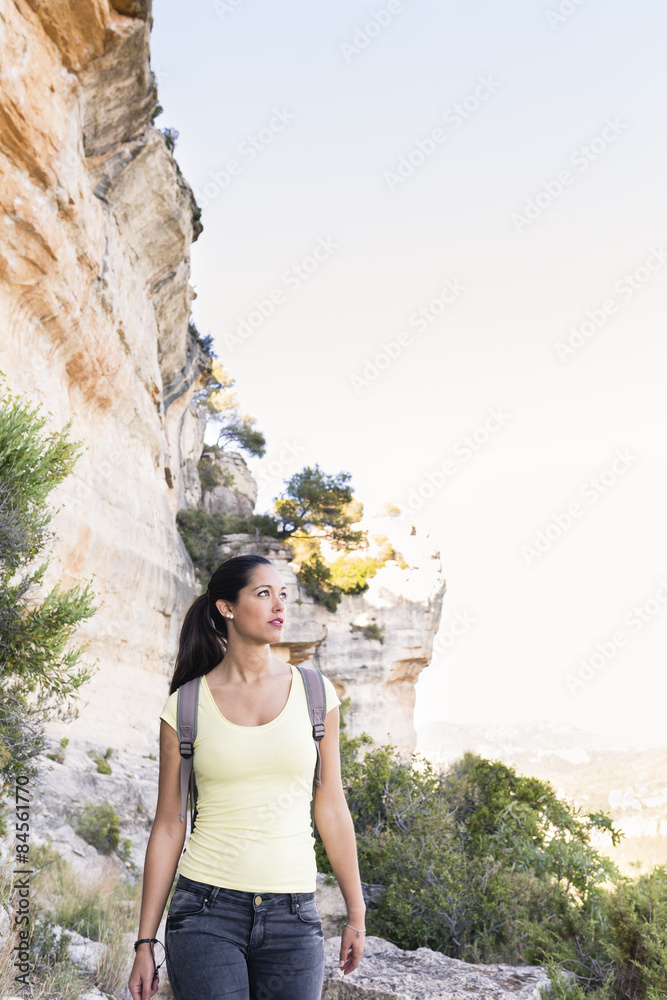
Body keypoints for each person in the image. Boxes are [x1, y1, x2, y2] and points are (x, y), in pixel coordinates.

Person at [128, 554, 366, 1000]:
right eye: (263, 594)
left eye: (283, 595)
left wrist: (356, 910)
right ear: (227, 607)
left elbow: (331, 806)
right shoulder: (184, 705)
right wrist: (146, 941)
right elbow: (168, 824)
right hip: (205, 914)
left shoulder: (315, 693)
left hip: (294, 917)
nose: (279, 605)